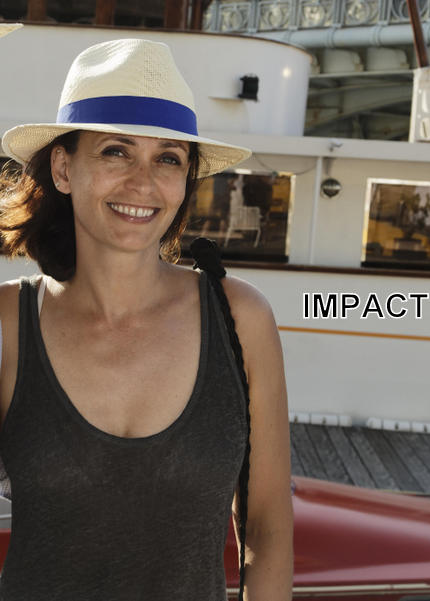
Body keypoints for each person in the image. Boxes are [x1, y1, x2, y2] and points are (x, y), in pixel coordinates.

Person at [0, 39, 293, 601]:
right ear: (63, 167)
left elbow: (267, 526)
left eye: (167, 158)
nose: (143, 182)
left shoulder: (240, 318)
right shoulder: (9, 325)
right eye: (115, 151)